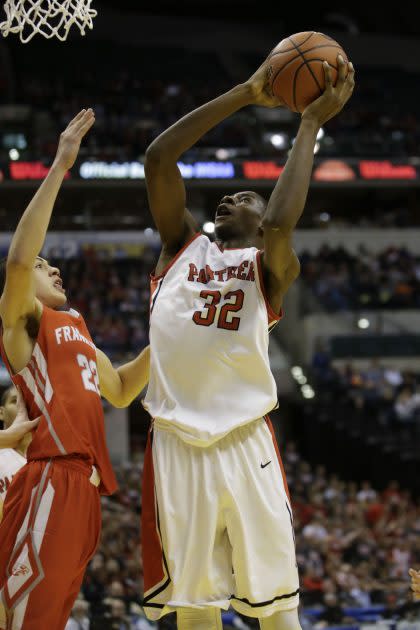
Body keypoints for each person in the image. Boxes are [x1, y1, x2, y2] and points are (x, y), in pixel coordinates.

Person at [141, 53, 355, 630]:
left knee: (277, 603)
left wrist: (309, 125)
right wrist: (245, 92)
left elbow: (284, 225)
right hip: (176, 440)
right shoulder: (180, 248)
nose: (229, 200)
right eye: (226, 199)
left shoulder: (271, 265)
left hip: (244, 439)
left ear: (261, 222)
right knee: (194, 608)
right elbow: (159, 158)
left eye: (245, 198)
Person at [0, 109, 150, 630]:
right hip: (50, 478)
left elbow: (125, 390)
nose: (52, 268)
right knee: (27, 619)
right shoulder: (24, 323)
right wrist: (61, 166)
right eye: (47, 266)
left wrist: (172, 339)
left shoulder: (80, 329)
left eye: (52, 265)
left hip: (85, 494)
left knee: (52, 619)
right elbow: (19, 261)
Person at [0, 385, 32, 521]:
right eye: (14, 401)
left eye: (27, 402)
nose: (22, 407)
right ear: (1, 413)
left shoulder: (52, 455)